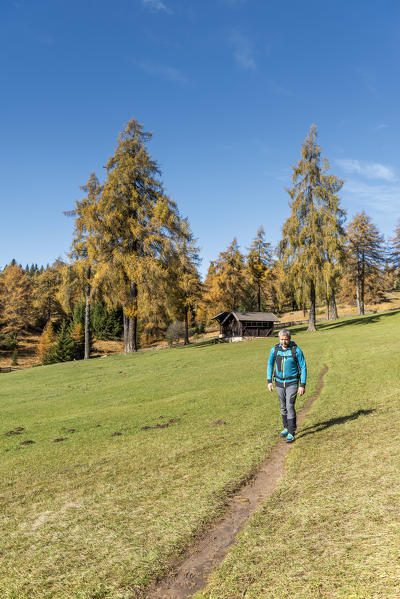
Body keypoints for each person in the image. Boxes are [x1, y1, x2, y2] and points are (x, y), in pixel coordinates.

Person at [267, 329, 307, 443]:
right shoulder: (274, 350)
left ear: (289, 339)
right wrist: (269, 381)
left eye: (286, 339)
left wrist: (302, 385)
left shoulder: (296, 350)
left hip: (292, 383)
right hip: (279, 382)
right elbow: (270, 364)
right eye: (282, 339)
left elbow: (303, 367)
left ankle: (291, 432)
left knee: (290, 406)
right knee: (283, 406)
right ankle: (286, 427)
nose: (284, 342)